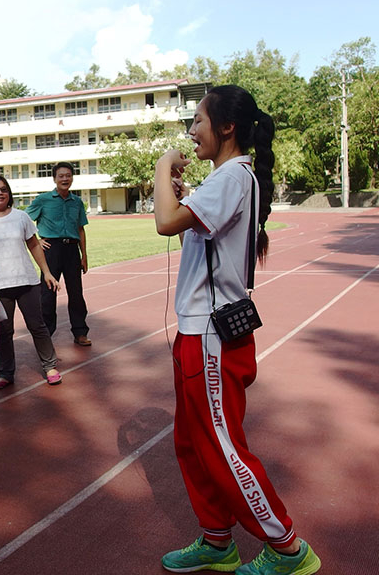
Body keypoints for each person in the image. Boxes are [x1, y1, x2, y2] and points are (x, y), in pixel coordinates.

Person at [154, 85, 320, 574]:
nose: (191, 132)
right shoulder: (226, 180)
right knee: (192, 444)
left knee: (222, 447)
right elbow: (192, 224)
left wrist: (165, 166)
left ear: (226, 127)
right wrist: (189, 193)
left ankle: (287, 548)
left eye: (198, 121)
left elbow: (165, 221)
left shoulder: (232, 177)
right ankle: (216, 539)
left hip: (210, 336)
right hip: (198, 331)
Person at [0, 175, 62, 389]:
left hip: (27, 281)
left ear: (9, 193)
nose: (0, 193)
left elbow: (35, 246)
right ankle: (6, 373)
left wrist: (46, 272)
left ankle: (50, 366)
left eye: (3, 189)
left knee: (37, 326)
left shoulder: (21, 218)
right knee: (4, 331)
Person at [25, 161, 91, 346]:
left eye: (68, 175)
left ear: (72, 178)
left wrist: (83, 255)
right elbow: (24, 220)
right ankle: (46, 333)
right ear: (54, 179)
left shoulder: (77, 202)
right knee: (47, 294)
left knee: (76, 293)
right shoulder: (43, 200)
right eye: (61, 176)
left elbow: (80, 229)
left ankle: (80, 332)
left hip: (71, 250)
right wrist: (37, 240)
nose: (65, 179)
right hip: (50, 250)